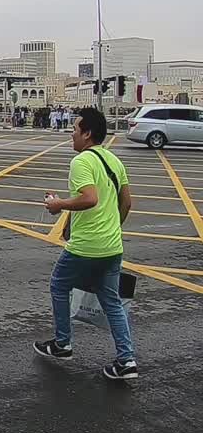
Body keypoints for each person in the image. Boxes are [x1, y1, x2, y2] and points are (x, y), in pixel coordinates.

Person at [34, 107, 138, 380]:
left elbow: (90, 199)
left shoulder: (81, 162)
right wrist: (112, 227)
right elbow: (126, 202)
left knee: (59, 285)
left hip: (86, 247)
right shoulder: (114, 160)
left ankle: (62, 344)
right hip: (112, 246)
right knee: (112, 302)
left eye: (75, 129)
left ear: (87, 134)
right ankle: (126, 361)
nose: (71, 133)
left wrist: (58, 205)